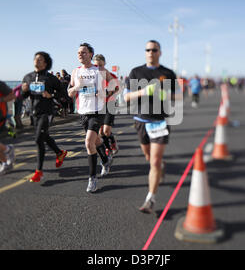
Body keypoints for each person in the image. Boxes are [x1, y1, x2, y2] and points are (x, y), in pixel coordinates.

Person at [123, 40, 178, 214]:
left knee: (154, 161)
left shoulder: (168, 73)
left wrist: (165, 94)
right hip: (141, 120)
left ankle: (150, 199)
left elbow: (178, 96)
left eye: (154, 50)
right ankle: (160, 167)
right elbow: (126, 98)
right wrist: (143, 92)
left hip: (160, 121)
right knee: (148, 157)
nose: (150, 52)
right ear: (145, 52)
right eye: (147, 50)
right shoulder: (136, 71)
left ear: (160, 52)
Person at [68, 43, 116, 193]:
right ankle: (106, 160)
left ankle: (92, 178)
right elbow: (70, 93)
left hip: (98, 111)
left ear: (90, 54)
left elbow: (115, 86)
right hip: (83, 111)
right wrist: (76, 87)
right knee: (95, 141)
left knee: (89, 143)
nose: (80, 55)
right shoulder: (75, 72)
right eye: (78, 53)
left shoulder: (99, 70)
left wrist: (105, 93)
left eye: (83, 52)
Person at [22, 52, 69, 183]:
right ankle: (59, 153)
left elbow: (62, 93)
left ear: (46, 63)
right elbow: (23, 97)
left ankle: (38, 172)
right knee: (44, 136)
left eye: (40, 59)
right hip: (34, 113)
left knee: (38, 139)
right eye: (35, 58)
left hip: (47, 112)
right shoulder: (28, 77)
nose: (36, 61)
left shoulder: (50, 78)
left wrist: (51, 95)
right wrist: (24, 91)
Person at [94, 54, 120, 173]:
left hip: (110, 104)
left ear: (104, 64)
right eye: (96, 65)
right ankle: (108, 150)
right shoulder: (92, 76)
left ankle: (113, 142)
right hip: (98, 106)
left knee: (106, 131)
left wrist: (107, 93)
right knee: (100, 132)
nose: (98, 67)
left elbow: (116, 89)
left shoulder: (111, 75)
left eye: (100, 65)